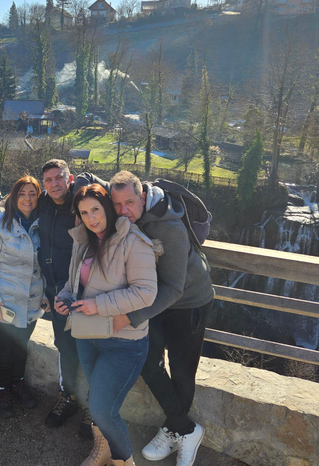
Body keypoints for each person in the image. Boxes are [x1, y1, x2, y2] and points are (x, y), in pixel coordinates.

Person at [109, 171, 215, 466]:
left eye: (129, 202)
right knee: (146, 360)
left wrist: (132, 316)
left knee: (182, 371)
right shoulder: (128, 219)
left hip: (189, 301)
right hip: (156, 300)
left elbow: (174, 288)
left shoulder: (168, 226)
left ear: (142, 196)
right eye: (117, 205)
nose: (123, 211)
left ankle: (174, 430)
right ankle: (186, 429)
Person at [55, 184, 158, 466]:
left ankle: (124, 461)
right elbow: (73, 282)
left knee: (103, 410)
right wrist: (64, 297)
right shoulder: (84, 240)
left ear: (109, 209)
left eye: (96, 210)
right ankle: (102, 450)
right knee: (95, 404)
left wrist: (98, 305)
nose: (91, 218)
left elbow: (146, 293)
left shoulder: (133, 242)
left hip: (123, 341)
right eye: (84, 212)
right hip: (87, 334)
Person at [37, 159, 108, 437]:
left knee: (93, 349)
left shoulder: (82, 203)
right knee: (65, 346)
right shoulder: (42, 203)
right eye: (48, 180)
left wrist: (82, 183)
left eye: (60, 178)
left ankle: (94, 407)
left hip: (87, 291)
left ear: (71, 178)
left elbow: (105, 189)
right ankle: (68, 397)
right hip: (57, 291)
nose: (54, 184)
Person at [0, 175, 49, 418]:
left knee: (21, 347)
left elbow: (49, 265)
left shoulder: (44, 224)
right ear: (13, 196)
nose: (27, 199)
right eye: (22, 193)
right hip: (3, 303)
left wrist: (47, 294)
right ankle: (1, 390)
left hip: (31, 300)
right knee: (5, 350)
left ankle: (17, 383)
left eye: (32, 194)